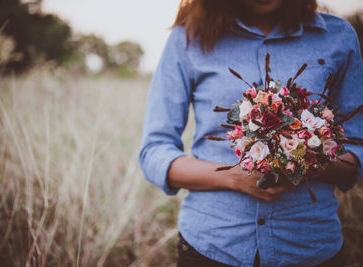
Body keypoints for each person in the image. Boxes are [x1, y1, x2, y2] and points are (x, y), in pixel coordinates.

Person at [138, 0, 363, 266]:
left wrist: (302, 161)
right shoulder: (187, 39)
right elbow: (154, 151)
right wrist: (233, 178)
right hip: (212, 247)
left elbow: (355, 152)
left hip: (311, 247)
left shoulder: (337, 36)